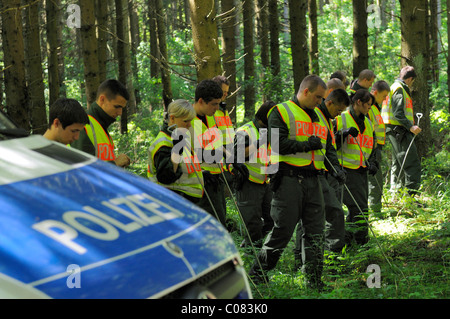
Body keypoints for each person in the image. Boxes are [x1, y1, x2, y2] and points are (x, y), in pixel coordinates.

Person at [249, 75, 339, 290]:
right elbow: (277, 144)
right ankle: (258, 273)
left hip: (314, 180)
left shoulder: (319, 115)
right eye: (318, 97)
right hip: (288, 179)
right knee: (283, 230)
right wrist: (306, 145)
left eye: (322, 98)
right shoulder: (280, 111)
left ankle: (314, 281)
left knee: (315, 232)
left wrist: (336, 169)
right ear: (305, 91)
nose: (320, 102)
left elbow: (328, 147)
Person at [190, 79, 248, 227]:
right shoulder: (187, 120)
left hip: (215, 178)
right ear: (201, 101)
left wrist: (232, 159)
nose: (218, 108)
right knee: (207, 227)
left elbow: (215, 143)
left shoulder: (210, 118)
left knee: (220, 221)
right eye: (214, 104)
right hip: (198, 182)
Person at [334, 89, 378, 245]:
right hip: (344, 170)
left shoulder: (368, 123)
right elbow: (330, 144)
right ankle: (359, 242)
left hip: (361, 171)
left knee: (359, 208)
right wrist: (343, 134)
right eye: (368, 104)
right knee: (357, 208)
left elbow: (372, 146)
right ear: (358, 102)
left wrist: (373, 163)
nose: (369, 108)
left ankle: (351, 240)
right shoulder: (341, 119)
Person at [234, 100, 275, 249]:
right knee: (253, 224)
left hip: (267, 183)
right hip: (248, 183)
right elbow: (238, 154)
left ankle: (254, 246)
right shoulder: (245, 131)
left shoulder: (272, 131)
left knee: (272, 220)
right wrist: (259, 142)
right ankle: (251, 253)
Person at [147, 99, 203, 203]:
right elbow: (166, 177)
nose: (189, 125)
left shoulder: (178, 137)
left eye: (191, 120)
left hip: (186, 200)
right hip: (171, 200)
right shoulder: (164, 143)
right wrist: (176, 151)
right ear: (172, 118)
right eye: (186, 121)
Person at [381, 66, 422, 201]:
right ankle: (412, 197)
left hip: (394, 130)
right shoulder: (399, 89)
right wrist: (411, 127)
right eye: (412, 81)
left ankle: (396, 195)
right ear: (410, 79)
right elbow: (398, 113)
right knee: (411, 162)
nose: (411, 84)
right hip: (399, 131)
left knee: (398, 163)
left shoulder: (394, 87)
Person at [71, 79, 131, 167]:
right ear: (102, 99)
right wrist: (114, 164)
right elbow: (82, 168)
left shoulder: (100, 127)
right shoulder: (82, 126)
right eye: (117, 107)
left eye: (122, 108)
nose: (120, 112)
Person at [368, 80, 390, 215]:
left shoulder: (375, 107)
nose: (385, 99)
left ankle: (375, 209)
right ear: (375, 92)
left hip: (376, 148)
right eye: (383, 96)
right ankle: (374, 211)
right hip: (371, 149)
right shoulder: (369, 107)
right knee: (375, 181)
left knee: (377, 180)